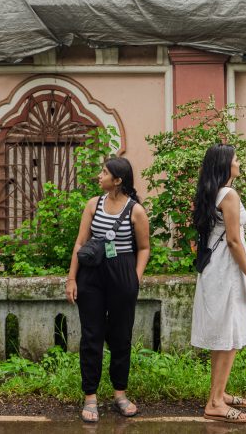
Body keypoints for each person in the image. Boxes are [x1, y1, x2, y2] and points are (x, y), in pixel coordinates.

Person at [65, 156, 151, 423]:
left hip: (122, 273)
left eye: (104, 173)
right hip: (92, 275)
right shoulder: (93, 204)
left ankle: (120, 394)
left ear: (118, 180)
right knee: (91, 335)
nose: (99, 176)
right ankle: (90, 396)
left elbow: (144, 248)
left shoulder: (136, 210)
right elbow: (80, 244)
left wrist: (134, 279)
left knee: (121, 336)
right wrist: (71, 279)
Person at [190, 143, 246, 424]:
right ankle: (215, 403)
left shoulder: (210, 193)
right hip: (228, 271)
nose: (239, 162)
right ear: (225, 165)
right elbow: (233, 241)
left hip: (213, 270)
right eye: (236, 158)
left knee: (223, 336)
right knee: (229, 336)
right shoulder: (229, 194)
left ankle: (218, 394)